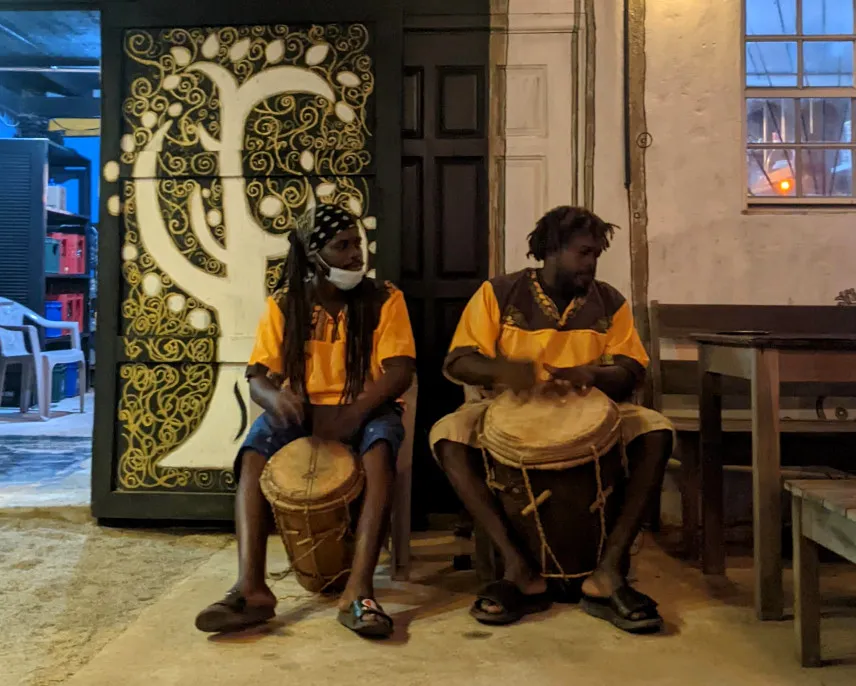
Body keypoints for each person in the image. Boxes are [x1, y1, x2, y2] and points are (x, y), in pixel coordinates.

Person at [430, 206, 673, 634]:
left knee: (655, 430)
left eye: (596, 253)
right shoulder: (499, 293)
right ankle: (515, 565)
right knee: (448, 436)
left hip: (591, 413)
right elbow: (459, 359)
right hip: (505, 410)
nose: (592, 262)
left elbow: (633, 368)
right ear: (551, 250)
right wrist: (506, 372)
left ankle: (609, 570)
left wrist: (594, 374)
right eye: (583, 253)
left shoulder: (608, 300)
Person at [195, 203, 416, 638]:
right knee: (252, 458)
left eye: (358, 243)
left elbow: (399, 370)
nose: (357, 254)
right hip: (306, 411)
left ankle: (359, 591)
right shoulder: (286, 304)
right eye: (343, 245)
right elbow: (257, 376)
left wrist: (353, 413)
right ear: (315, 256)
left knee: (379, 454)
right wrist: (275, 399)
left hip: (367, 408)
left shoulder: (385, 298)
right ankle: (251, 587)